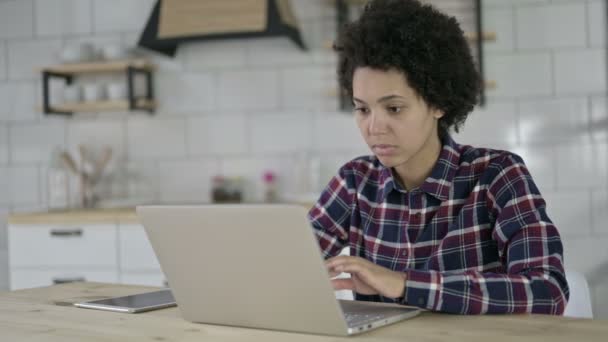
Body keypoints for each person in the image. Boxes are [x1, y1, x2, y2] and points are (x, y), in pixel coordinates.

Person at [308, 0, 569, 315]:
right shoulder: (354, 182)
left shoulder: (497, 174)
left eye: (394, 108)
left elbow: (547, 292)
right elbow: (288, 268)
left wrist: (404, 284)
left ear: (438, 103)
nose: (373, 127)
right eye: (362, 108)